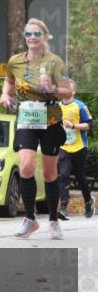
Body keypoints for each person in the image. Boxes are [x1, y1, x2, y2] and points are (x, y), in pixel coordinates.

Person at [0, 18, 72, 239]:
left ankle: (52, 220)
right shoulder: (15, 61)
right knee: (26, 167)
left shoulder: (55, 62)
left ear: (45, 37)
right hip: (26, 120)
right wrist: (5, 94)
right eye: (28, 34)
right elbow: (9, 81)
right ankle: (30, 219)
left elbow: (67, 92)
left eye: (36, 34)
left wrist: (51, 88)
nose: (31, 37)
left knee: (50, 174)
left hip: (50, 121)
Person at [57, 79, 93, 219]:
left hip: (79, 146)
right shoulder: (57, 106)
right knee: (64, 175)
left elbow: (90, 125)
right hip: (63, 146)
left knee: (80, 177)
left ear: (73, 91)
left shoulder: (80, 106)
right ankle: (64, 208)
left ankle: (88, 201)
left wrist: (73, 126)